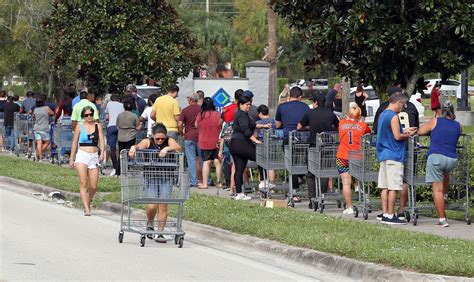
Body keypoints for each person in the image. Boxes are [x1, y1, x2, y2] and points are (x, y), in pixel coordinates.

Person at [128, 123, 181, 242]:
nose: (160, 141)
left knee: (163, 205)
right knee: (152, 205)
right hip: (151, 176)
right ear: (153, 136)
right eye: (158, 138)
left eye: (163, 138)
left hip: (167, 176)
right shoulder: (148, 141)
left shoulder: (169, 141)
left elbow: (178, 147)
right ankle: (150, 223)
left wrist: (167, 148)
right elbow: (140, 146)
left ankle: (160, 232)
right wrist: (133, 147)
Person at [373, 86, 420, 220]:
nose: (403, 107)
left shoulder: (383, 114)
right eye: (402, 104)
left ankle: (385, 213)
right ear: (398, 102)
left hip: (383, 153)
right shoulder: (393, 116)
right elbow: (397, 136)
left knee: (384, 186)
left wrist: (405, 131)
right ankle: (390, 214)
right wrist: (408, 134)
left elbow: (389, 132)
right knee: (393, 187)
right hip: (394, 154)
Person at [417, 101, 461, 227]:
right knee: (445, 176)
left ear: (441, 111)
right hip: (451, 159)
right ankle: (445, 196)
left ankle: (442, 219)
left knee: (437, 190)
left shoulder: (435, 121)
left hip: (436, 157)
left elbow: (420, 131)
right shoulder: (458, 125)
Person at [297, 92, 339, 207]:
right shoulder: (330, 113)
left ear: (315, 102)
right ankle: (322, 197)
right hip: (327, 145)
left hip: (313, 145)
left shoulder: (310, 113)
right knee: (324, 172)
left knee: (311, 173)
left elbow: (299, 127)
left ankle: (312, 199)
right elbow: (338, 126)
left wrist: (310, 127)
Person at [69, 106, 105, 216]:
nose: (89, 117)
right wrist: (71, 158)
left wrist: (102, 152)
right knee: (83, 182)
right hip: (82, 155)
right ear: (83, 116)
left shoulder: (97, 126)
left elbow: (102, 140)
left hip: (93, 155)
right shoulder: (79, 127)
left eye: (90, 114)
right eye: (86, 115)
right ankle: (86, 208)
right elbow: (74, 143)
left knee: (93, 186)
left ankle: (88, 200)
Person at [276, 86, 310, 202]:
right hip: (303, 138)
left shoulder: (281, 107)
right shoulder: (305, 107)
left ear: (289, 96)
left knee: (291, 163)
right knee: (307, 161)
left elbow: (277, 125)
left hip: (287, 137)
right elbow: (307, 122)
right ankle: (302, 176)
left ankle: (294, 192)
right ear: (300, 97)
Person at [336, 104, 371, 214]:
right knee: (359, 177)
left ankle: (350, 207)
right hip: (356, 156)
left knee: (346, 183)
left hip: (342, 156)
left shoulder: (341, 124)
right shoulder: (363, 125)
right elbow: (369, 132)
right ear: (359, 115)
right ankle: (358, 187)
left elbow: (343, 122)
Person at [229, 94, 261, 200]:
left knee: (239, 169)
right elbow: (246, 130)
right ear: (241, 104)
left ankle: (239, 193)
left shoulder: (239, 113)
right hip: (241, 143)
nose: (249, 107)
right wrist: (256, 140)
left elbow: (252, 125)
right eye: (247, 105)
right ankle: (263, 183)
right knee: (261, 158)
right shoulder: (242, 114)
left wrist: (264, 126)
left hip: (234, 144)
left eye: (250, 105)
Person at [195, 97, 223, 189]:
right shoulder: (218, 114)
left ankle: (205, 183)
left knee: (206, 162)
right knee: (217, 162)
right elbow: (220, 125)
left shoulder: (201, 115)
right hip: (216, 141)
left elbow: (196, 125)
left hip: (204, 141)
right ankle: (219, 183)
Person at [178, 92, 201, 187]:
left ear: (190, 100)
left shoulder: (185, 110)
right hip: (201, 136)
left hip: (189, 136)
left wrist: (181, 133)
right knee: (203, 159)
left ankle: (194, 181)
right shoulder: (202, 109)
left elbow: (179, 124)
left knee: (191, 159)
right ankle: (206, 180)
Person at [116, 100, 141, 176]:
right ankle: (128, 170)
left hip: (121, 136)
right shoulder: (134, 116)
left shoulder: (119, 115)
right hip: (130, 136)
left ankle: (118, 171)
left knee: (121, 154)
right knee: (129, 154)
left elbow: (117, 126)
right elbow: (138, 127)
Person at [255, 104, 276, 189]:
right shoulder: (274, 121)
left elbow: (255, 134)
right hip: (272, 145)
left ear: (260, 113)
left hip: (261, 145)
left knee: (261, 164)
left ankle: (263, 184)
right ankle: (272, 185)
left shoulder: (258, 123)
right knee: (271, 166)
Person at [105, 94, 124, 176]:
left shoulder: (109, 104)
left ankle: (115, 168)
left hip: (111, 126)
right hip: (120, 127)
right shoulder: (122, 105)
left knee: (112, 148)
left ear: (111, 99)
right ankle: (121, 167)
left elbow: (106, 117)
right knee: (121, 148)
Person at [32, 94, 54, 161]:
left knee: (39, 142)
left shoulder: (35, 110)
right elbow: (53, 113)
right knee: (48, 142)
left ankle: (40, 157)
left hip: (36, 128)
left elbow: (33, 116)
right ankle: (39, 153)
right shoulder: (46, 108)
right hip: (44, 128)